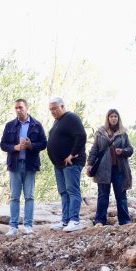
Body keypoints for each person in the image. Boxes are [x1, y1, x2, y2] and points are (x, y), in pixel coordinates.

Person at [0, 98, 48, 237]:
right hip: (14, 165)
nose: (18, 110)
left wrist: (31, 145)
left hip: (30, 165)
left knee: (29, 196)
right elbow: (3, 145)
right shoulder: (10, 125)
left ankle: (28, 225)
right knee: (14, 197)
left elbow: (44, 144)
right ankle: (13, 227)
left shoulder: (36, 125)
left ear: (27, 108)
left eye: (20, 107)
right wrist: (14, 147)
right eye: (16, 108)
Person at [86, 109, 134, 226]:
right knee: (103, 195)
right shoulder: (100, 133)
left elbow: (130, 149)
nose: (113, 118)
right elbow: (95, 150)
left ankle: (125, 221)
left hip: (119, 169)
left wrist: (122, 151)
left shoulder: (123, 133)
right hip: (103, 169)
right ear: (108, 118)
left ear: (118, 118)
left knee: (121, 196)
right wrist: (89, 164)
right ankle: (100, 221)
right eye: (111, 116)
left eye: (116, 116)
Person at [47, 97, 87, 232]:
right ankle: (65, 220)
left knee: (72, 191)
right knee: (63, 192)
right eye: (51, 109)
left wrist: (72, 154)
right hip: (59, 164)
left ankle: (74, 220)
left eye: (55, 108)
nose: (53, 111)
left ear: (62, 106)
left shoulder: (71, 118)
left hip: (72, 162)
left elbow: (81, 136)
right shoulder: (57, 122)